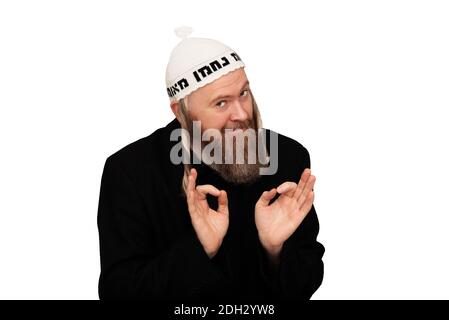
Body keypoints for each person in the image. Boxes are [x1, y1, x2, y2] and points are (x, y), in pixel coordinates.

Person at [97, 27, 325, 301]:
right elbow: (118, 292)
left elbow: (306, 280)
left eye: (243, 93)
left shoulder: (287, 157)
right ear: (180, 112)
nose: (241, 114)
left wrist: (273, 250)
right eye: (221, 103)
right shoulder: (130, 172)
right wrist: (198, 250)